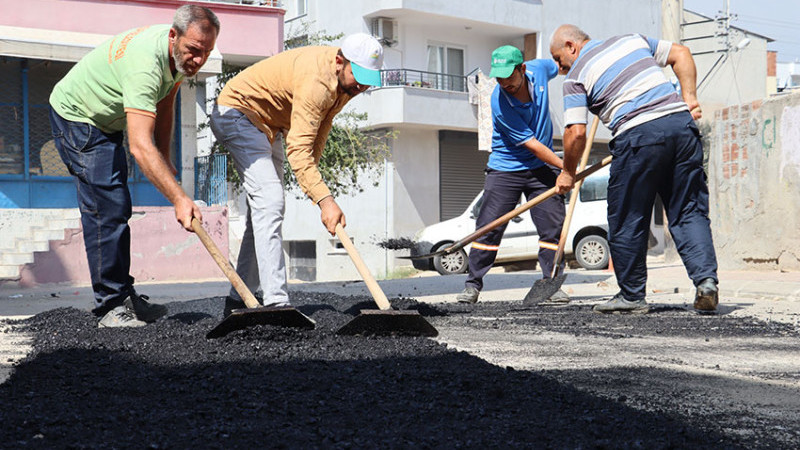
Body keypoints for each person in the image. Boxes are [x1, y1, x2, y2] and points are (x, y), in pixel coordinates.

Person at [48, 5, 220, 327]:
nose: (199, 60)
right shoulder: (145, 65)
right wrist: (180, 199)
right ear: (174, 36)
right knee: (107, 207)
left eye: (207, 53)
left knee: (116, 206)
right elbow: (140, 147)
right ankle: (110, 306)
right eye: (194, 51)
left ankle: (122, 294)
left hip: (105, 121)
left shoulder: (177, 59)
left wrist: (166, 154)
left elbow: (165, 100)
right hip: (77, 117)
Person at [549, 24, 719, 313]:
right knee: (688, 211)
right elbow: (681, 53)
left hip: (638, 138)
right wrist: (689, 98)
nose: (560, 68)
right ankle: (706, 282)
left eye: (558, 59)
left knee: (627, 217)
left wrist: (567, 172)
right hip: (681, 127)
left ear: (571, 46)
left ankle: (631, 295)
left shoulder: (576, 76)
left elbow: (575, 132)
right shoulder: (632, 40)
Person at [210, 33, 384, 315]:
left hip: (270, 124)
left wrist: (316, 190)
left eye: (368, 79)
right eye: (359, 76)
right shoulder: (316, 80)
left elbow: (319, 133)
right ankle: (277, 303)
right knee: (271, 202)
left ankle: (238, 299)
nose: (362, 85)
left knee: (265, 211)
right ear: (340, 61)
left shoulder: (346, 84)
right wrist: (325, 201)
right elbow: (299, 151)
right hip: (237, 112)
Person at [456, 45, 567, 304]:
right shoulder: (499, 101)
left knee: (552, 226)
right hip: (507, 167)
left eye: (510, 76)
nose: (505, 82)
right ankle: (472, 285)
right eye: (500, 77)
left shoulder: (539, 70)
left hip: (541, 169)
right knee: (489, 227)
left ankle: (552, 284)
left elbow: (561, 65)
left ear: (523, 69)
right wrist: (567, 169)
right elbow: (534, 146)